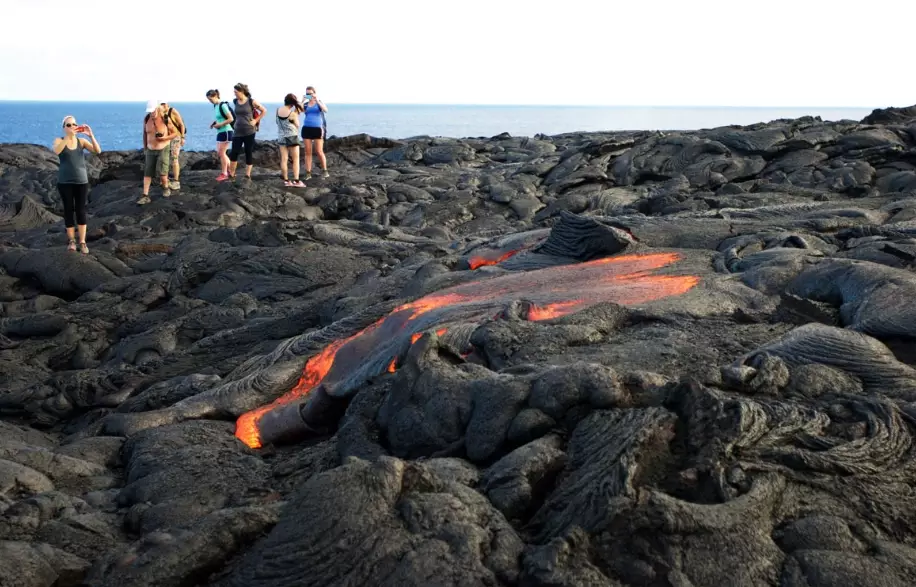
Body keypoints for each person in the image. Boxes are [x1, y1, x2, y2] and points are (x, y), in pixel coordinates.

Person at [52, 116, 101, 253]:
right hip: (65, 182)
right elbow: (57, 151)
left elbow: (98, 151)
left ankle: (83, 242)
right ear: (64, 128)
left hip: (81, 181)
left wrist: (91, 135)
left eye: (74, 124)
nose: (72, 126)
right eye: (68, 125)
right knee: (68, 210)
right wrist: (69, 136)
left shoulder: (82, 141)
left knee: (80, 210)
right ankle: (72, 241)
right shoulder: (59, 141)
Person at [139, 100, 179, 204]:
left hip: (163, 148)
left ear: (157, 108)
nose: (151, 113)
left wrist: (165, 138)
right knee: (147, 173)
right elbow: (144, 134)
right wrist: (145, 148)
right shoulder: (146, 119)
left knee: (163, 173)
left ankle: (165, 188)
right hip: (150, 149)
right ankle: (145, 195)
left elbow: (175, 133)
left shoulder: (165, 118)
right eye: (150, 111)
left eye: (153, 111)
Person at [228, 83, 265, 180]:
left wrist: (255, 121)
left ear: (242, 91)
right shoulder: (235, 101)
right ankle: (232, 174)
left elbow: (264, 110)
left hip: (249, 131)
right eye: (234, 92)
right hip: (237, 131)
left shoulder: (251, 102)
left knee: (248, 152)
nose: (234, 93)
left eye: (236, 92)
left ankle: (247, 174)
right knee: (234, 152)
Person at [276, 94, 305, 187]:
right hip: (292, 137)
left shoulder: (277, 110)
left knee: (284, 159)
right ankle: (296, 181)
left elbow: (277, 122)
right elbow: (297, 125)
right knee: (296, 159)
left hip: (281, 137)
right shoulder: (292, 114)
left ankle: (286, 180)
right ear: (292, 103)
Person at [300, 86, 329, 179]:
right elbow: (299, 111)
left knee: (319, 151)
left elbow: (325, 110)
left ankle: (325, 171)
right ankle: (308, 173)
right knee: (307, 152)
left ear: (314, 93)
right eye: (307, 93)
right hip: (306, 128)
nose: (309, 95)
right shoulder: (305, 104)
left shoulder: (319, 102)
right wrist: (302, 101)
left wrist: (317, 100)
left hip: (317, 129)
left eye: (310, 93)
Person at [207, 89, 234, 181]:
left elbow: (231, 119)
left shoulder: (223, 105)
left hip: (226, 131)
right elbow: (221, 118)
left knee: (221, 153)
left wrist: (220, 125)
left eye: (211, 99)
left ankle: (224, 173)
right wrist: (214, 123)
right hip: (220, 131)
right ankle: (231, 171)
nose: (210, 102)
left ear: (215, 96)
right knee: (221, 153)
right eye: (209, 100)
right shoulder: (215, 106)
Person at [161, 102, 187, 191]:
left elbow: (181, 124)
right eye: (161, 104)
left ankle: (176, 181)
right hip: (167, 138)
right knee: (165, 159)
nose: (163, 106)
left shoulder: (172, 111)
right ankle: (166, 179)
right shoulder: (160, 112)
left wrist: (183, 137)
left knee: (174, 159)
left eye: (164, 104)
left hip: (176, 137)